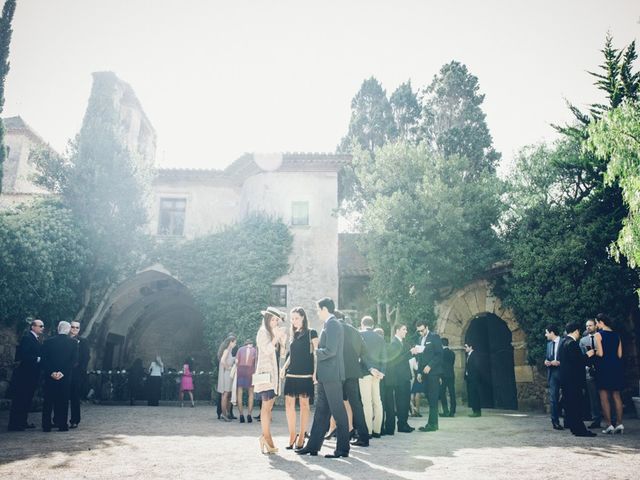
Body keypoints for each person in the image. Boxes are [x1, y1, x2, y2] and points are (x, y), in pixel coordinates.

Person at [297, 297, 350, 459]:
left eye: (318, 310)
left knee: (338, 412)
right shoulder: (330, 324)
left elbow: (331, 351)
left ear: (325, 309)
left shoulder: (333, 324)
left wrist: (315, 349)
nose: (317, 313)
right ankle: (312, 447)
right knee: (321, 412)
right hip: (326, 375)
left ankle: (342, 449)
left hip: (332, 375)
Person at [281, 307, 318, 449]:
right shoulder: (293, 334)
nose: (294, 321)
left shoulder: (311, 333)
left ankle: (302, 435)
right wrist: (284, 368)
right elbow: (291, 355)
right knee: (289, 405)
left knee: (304, 405)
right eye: (292, 318)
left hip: (306, 374)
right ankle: (292, 435)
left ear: (303, 317)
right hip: (291, 374)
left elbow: (316, 354)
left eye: (296, 318)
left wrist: (316, 372)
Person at [254, 307, 287, 454]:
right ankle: (267, 438)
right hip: (265, 374)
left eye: (276, 320)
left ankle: (264, 437)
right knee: (266, 407)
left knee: (269, 407)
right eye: (272, 319)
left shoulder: (273, 332)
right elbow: (266, 350)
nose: (274, 322)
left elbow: (281, 355)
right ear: (267, 319)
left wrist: (283, 341)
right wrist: (275, 338)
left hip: (273, 375)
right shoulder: (262, 332)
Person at [336, 310, 370, 447]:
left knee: (336, 404)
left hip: (338, 372)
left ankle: (344, 434)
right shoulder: (355, 331)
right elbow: (364, 351)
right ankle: (363, 436)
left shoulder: (334, 329)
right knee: (356, 405)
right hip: (353, 373)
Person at [558, 321, 597, 437]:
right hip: (574, 381)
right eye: (579, 331)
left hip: (566, 380)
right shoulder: (572, 343)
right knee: (576, 406)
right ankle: (580, 430)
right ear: (576, 331)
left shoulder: (563, 342)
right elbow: (578, 362)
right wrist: (588, 355)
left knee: (571, 406)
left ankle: (575, 428)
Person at [7, 319, 44, 431]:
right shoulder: (27, 338)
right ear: (33, 327)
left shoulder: (35, 339)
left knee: (27, 399)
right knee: (20, 399)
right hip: (25, 375)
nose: (42, 328)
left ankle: (22, 421)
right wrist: (38, 359)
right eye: (40, 326)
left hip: (31, 375)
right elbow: (24, 355)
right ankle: (15, 424)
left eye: (43, 326)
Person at [383, 323, 420, 434]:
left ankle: (403, 423)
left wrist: (411, 353)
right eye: (404, 329)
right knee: (402, 401)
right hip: (399, 378)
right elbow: (396, 360)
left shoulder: (401, 343)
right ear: (397, 330)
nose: (406, 331)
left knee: (404, 401)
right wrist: (410, 353)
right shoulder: (394, 344)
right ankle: (402, 425)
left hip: (403, 376)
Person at [41, 321, 78, 432]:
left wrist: (51, 372)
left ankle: (46, 425)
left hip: (50, 376)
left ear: (58, 329)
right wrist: (63, 372)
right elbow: (74, 361)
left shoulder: (48, 342)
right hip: (64, 377)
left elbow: (44, 359)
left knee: (48, 401)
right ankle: (62, 425)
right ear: (67, 330)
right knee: (63, 400)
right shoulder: (73, 343)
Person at [594, 313, 625, 434]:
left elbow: (600, 353)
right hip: (616, 368)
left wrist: (593, 351)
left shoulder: (598, 335)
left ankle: (609, 425)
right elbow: (620, 355)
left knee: (604, 397)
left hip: (604, 368)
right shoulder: (617, 335)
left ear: (601, 322)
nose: (596, 325)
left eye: (596, 322)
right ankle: (619, 423)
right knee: (616, 396)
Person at [359, 316, 386, 439]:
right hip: (378, 374)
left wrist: (370, 368)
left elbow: (361, 355)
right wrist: (382, 372)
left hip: (365, 372)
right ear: (373, 325)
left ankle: (368, 431)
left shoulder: (360, 335)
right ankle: (377, 430)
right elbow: (384, 357)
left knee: (367, 402)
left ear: (362, 324)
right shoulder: (380, 338)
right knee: (377, 401)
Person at [417, 322, 443, 433]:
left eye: (422, 330)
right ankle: (431, 423)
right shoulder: (420, 339)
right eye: (418, 331)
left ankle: (433, 424)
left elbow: (439, 354)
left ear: (427, 327)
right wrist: (419, 372)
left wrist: (430, 366)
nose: (421, 332)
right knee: (428, 397)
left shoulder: (435, 337)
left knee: (433, 398)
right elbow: (420, 357)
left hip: (433, 373)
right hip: (424, 374)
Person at [579, 319, 602, 429]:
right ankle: (596, 419)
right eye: (587, 326)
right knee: (593, 397)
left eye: (590, 325)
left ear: (596, 326)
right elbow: (581, 356)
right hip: (589, 371)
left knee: (606, 394)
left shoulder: (601, 337)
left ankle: (611, 419)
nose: (588, 327)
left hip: (602, 370)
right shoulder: (583, 341)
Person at [68, 321, 90, 429]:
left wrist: (81, 370)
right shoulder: (64, 339)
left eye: (77, 327)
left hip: (77, 373)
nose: (75, 329)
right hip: (64, 372)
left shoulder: (83, 341)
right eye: (73, 327)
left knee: (75, 397)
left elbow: (86, 357)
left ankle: (75, 420)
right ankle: (58, 419)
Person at [544, 325, 563, 430]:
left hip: (564, 373)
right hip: (552, 374)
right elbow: (547, 358)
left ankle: (569, 420)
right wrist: (546, 361)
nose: (545, 335)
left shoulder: (564, 342)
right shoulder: (549, 344)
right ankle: (555, 422)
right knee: (553, 399)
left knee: (568, 397)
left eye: (546, 332)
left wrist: (559, 362)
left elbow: (569, 359)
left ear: (552, 332)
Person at [236, 339, 257, 423]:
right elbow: (256, 363)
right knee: (251, 393)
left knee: (239, 392)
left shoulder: (240, 349)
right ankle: (249, 415)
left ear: (245, 344)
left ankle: (241, 415)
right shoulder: (254, 350)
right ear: (251, 344)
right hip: (250, 371)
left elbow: (236, 361)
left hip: (241, 370)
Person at [410, 321, 428, 417]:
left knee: (412, 393)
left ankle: (413, 411)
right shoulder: (416, 355)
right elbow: (417, 366)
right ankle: (416, 410)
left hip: (411, 376)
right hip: (416, 374)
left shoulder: (409, 356)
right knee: (417, 393)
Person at [216, 335, 237, 421]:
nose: (235, 344)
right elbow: (222, 361)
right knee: (225, 394)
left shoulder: (229, 350)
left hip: (229, 375)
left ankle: (227, 413)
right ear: (230, 342)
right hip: (227, 375)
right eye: (234, 342)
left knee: (228, 394)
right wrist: (229, 368)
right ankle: (224, 414)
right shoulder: (226, 350)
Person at [440, 337, 456, 417]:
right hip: (451, 374)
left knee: (442, 393)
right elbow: (452, 363)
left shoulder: (440, 353)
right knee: (452, 392)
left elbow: (440, 365)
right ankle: (452, 411)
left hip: (443, 375)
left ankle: (445, 411)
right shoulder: (452, 353)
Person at [464, 343, 481, 417]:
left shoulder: (474, 355)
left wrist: (472, 376)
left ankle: (477, 411)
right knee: (472, 394)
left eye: (466, 347)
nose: (465, 348)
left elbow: (476, 367)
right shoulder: (469, 355)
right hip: (470, 378)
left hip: (473, 378)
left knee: (475, 395)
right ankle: (474, 410)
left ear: (471, 347)